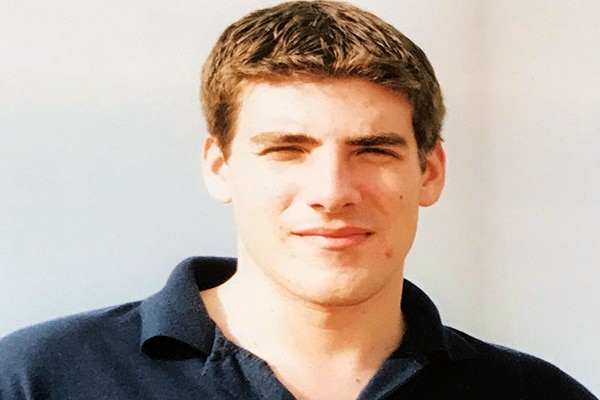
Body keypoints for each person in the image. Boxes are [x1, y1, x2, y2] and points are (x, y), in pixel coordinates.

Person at [0, 1, 596, 399]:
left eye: (373, 150)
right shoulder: (37, 380)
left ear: (430, 171)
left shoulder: (538, 395)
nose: (332, 193)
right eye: (287, 149)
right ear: (219, 165)